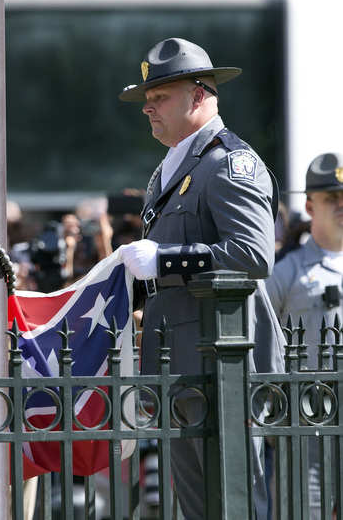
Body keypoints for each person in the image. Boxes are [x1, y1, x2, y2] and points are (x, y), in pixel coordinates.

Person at [116, 37, 285, 519]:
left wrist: (165, 260)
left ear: (197, 94)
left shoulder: (230, 162)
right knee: (198, 507)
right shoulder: (170, 169)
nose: (148, 107)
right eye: (146, 99)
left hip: (223, 365)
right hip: (182, 364)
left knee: (233, 502)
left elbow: (254, 253)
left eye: (159, 97)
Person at [266, 152, 343, 519]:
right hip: (308, 422)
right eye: (332, 199)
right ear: (311, 206)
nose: (341, 206)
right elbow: (261, 344)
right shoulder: (287, 273)